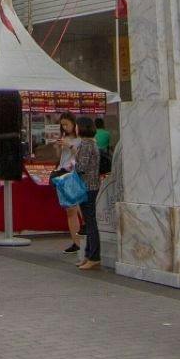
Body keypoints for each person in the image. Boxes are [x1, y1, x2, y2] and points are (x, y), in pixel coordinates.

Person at [73, 115, 103, 270]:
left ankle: (94, 256)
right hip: (92, 185)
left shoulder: (86, 145)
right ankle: (88, 255)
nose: (75, 128)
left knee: (90, 222)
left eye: (77, 126)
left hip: (87, 187)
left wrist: (73, 164)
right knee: (89, 221)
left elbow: (81, 167)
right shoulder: (92, 143)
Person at [52, 114, 84, 254]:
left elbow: (81, 155)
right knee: (69, 209)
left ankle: (83, 240)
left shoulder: (81, 139)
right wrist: (59, 147)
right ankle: (76, 242)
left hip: (75, 174)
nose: (64, 127)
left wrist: (69, 145)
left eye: (66, 124)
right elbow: (60, 158)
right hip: (62, 174)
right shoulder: (64, 138)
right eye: (62, 125)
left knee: (78, 207)